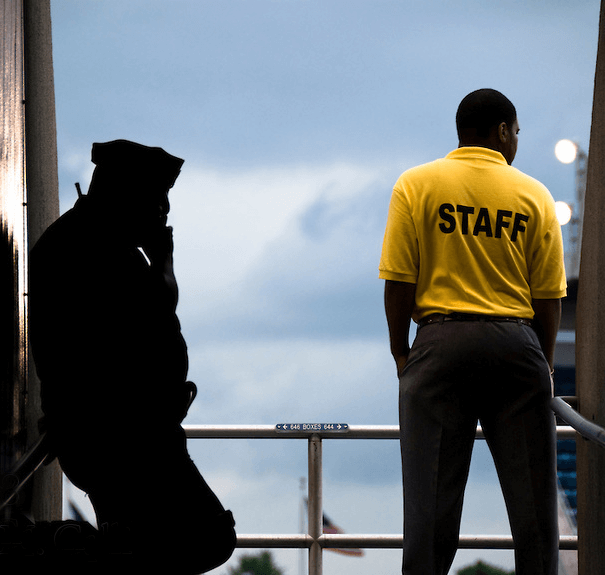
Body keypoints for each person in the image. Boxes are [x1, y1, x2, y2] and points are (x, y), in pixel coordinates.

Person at [379, 89, 566, 575]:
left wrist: (402, 355)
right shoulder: (534, 195)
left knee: (430, 515)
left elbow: (398, 282)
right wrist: (542, 365)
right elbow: (548, 298)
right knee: (535, 517)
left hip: (439, 343)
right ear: (502, 131)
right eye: (517, 131)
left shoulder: (415, 185)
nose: (517, 140)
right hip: (515, 343)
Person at [29, 140, 235, 573]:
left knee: (140, 541)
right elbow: (148, 319)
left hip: (129, 437)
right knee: (208, 536)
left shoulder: (97, 243)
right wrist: (164, 263)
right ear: (126, 195)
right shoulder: (91, 251)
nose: (164, 210)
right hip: (124, 441)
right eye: (157, 198)